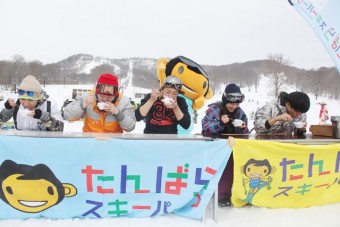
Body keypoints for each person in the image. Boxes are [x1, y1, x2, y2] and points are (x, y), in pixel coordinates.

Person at [201, 83, 249, 207]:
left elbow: (245, 135)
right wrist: (220, 123)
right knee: (217, 169)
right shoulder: (215, 109)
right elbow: (205, 128)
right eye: (231, 104)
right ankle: (218, 194)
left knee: (233, 168)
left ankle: (228, 194)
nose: (234, 107)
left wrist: (243, 128)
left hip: (231, 146)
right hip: (215, 145)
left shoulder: (240, 113)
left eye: (237, 104)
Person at [63, 73, 136, 133]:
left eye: (110, 97)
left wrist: (117, 113)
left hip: (113, 142)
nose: (105, 99)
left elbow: (130, 127)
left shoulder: (124, 102)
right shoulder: (87, 97)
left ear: (115, 95)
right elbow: (67, 115)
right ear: (96, 92)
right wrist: (83, 105)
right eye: (101, 96)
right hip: (90, 140)